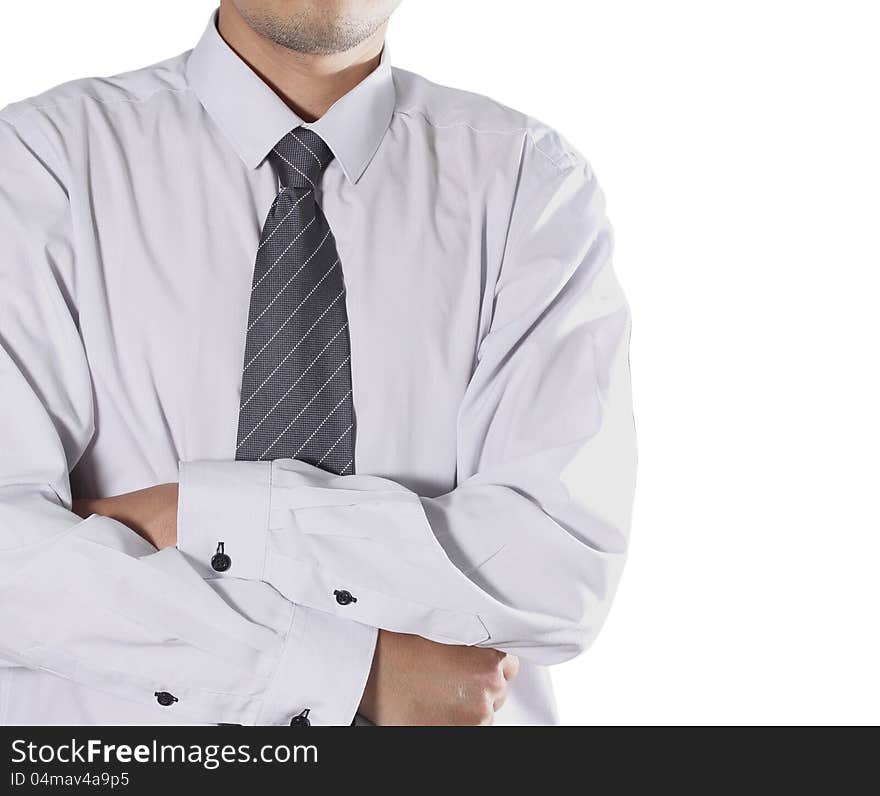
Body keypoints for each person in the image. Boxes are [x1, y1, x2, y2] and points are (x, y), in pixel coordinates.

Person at [0, 1, 636, 725]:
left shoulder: (531, 186)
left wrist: (207, 515)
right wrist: (346, 673)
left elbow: (560, 568)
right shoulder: (34, 167)